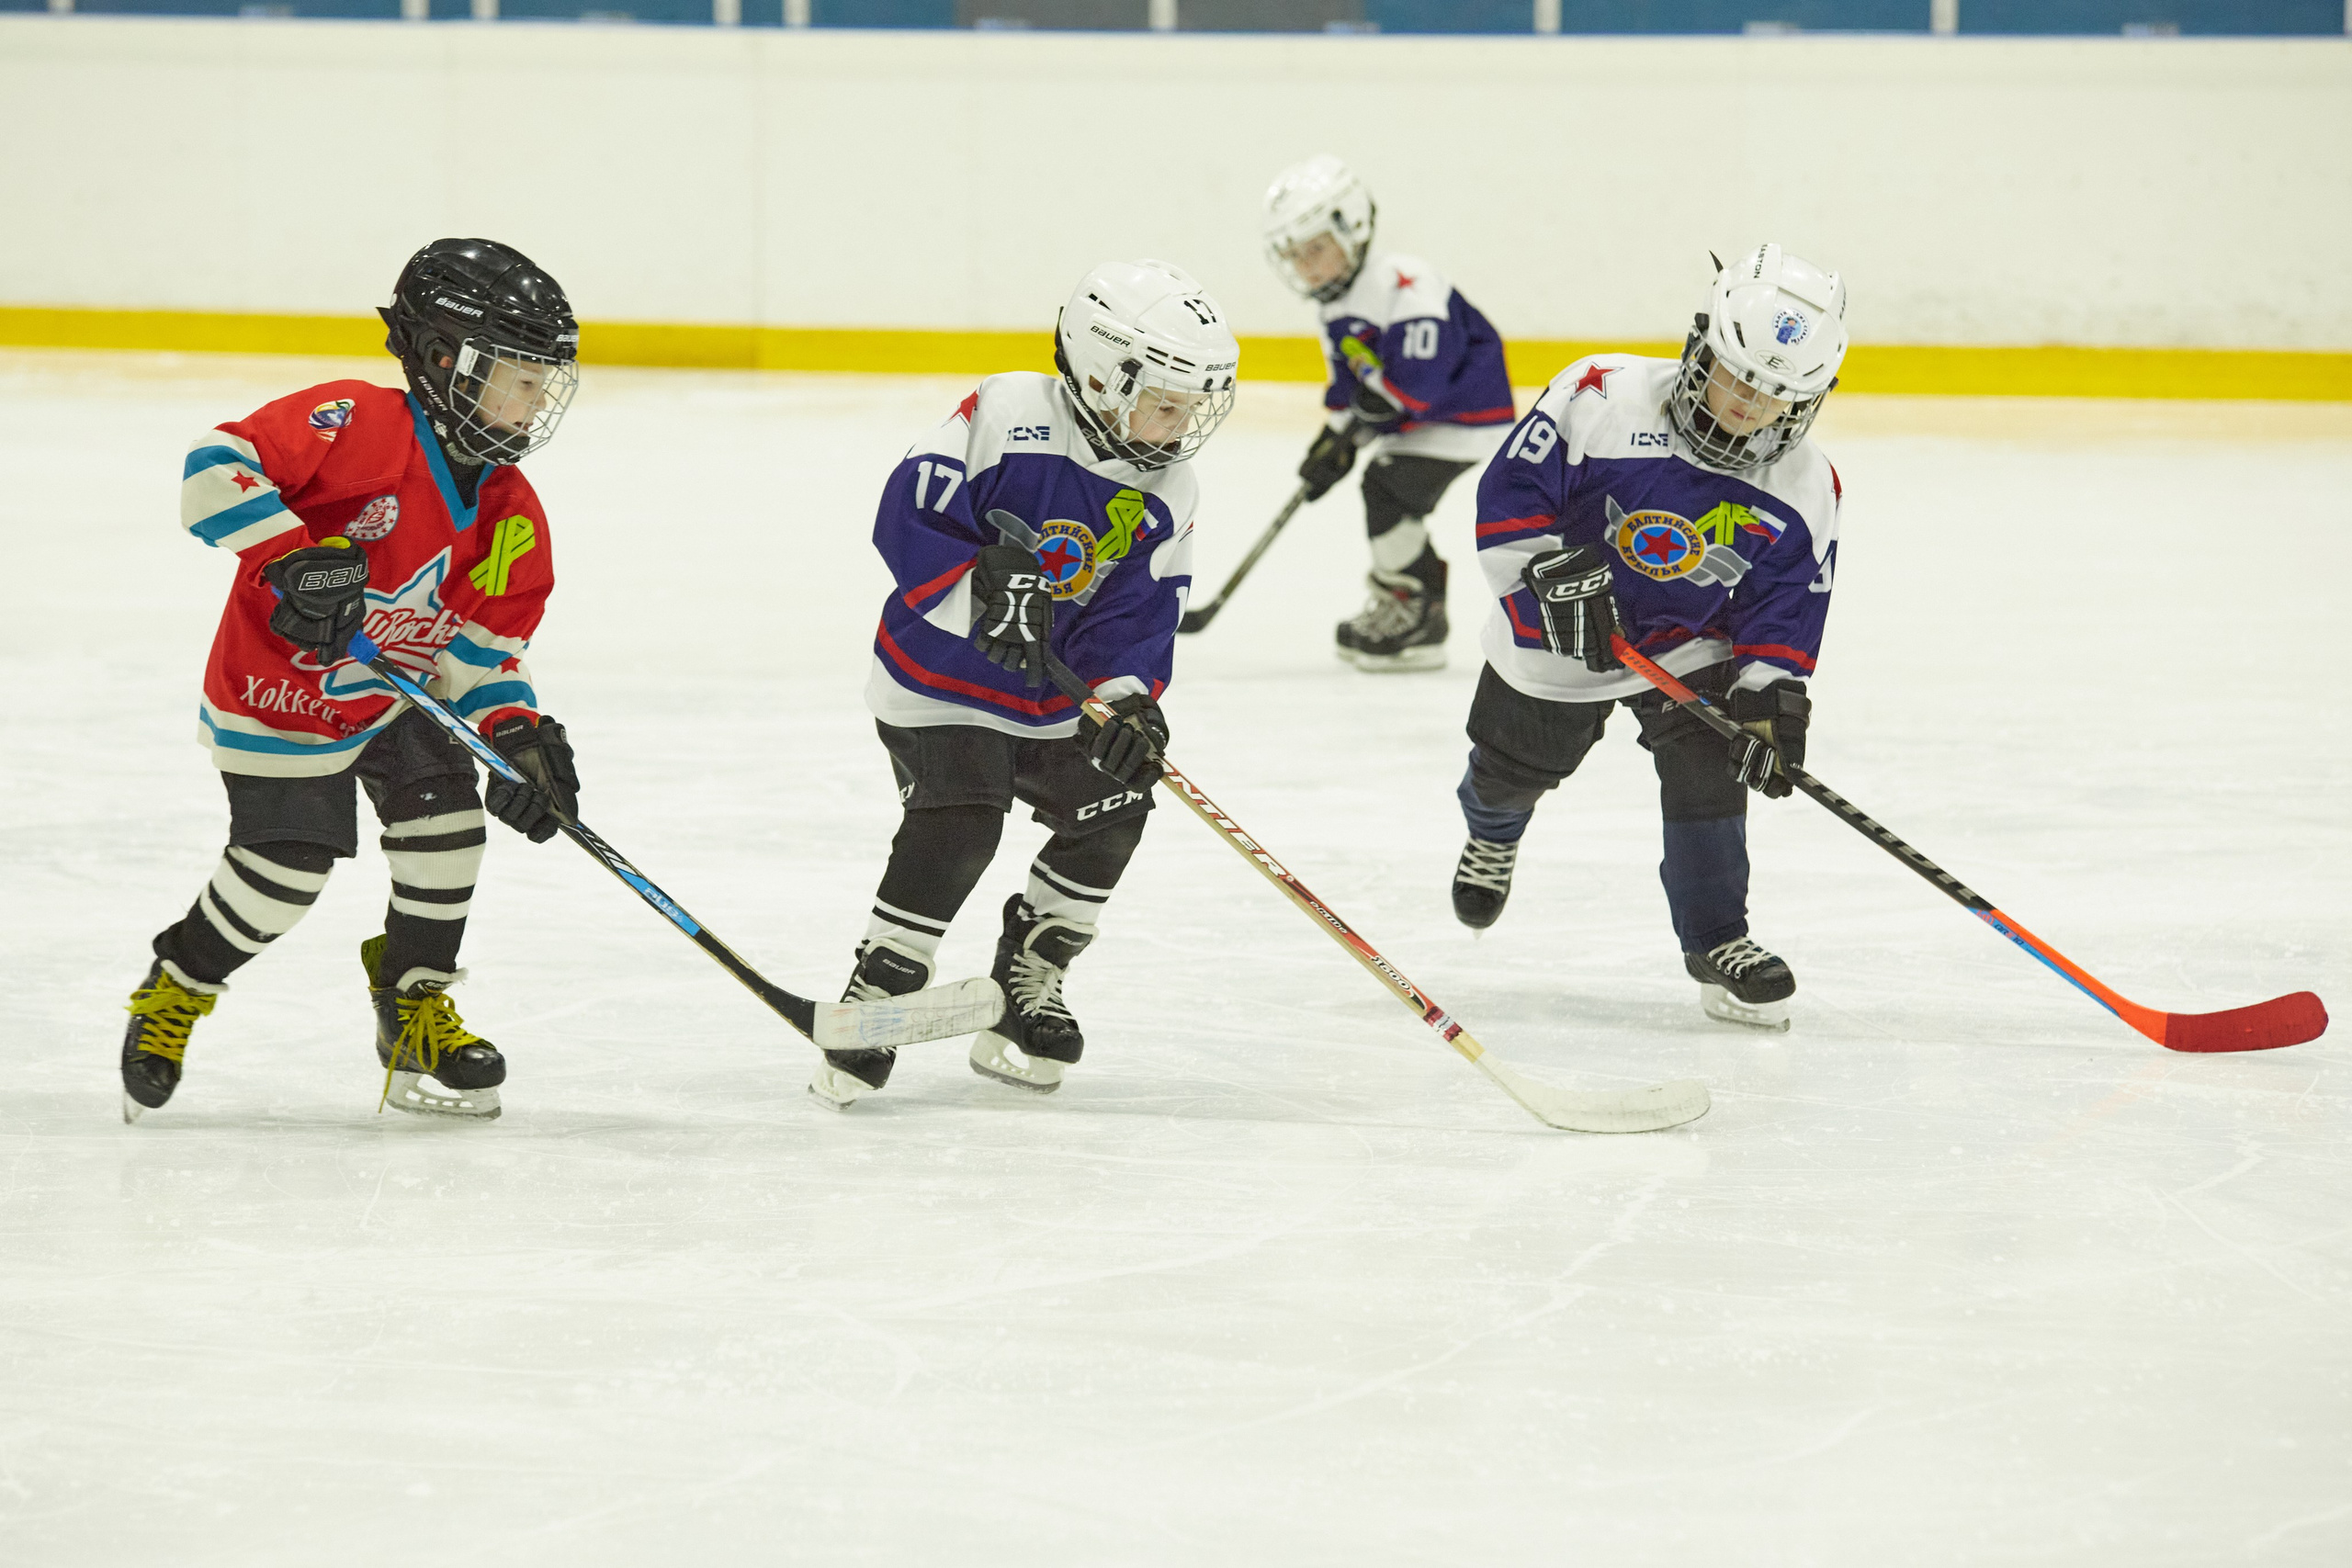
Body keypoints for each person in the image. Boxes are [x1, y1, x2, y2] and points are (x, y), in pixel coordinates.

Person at [120, 238, 585, 1123]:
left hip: (393, 698)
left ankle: (412, 1010)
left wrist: (516, 734)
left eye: (544, 380)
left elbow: (479, 657)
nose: (538, 401)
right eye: (522, 378)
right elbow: (213, 470)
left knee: (448, 832)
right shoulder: (355, 423)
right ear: (445, 359)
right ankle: (179, 980)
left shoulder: (511, 514)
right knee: (283, 873)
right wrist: (288, 555)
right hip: (281, 693)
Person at [811, 259, 1238, 1108]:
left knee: (1117, 802)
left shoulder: (1169, 487)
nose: (1182, 425)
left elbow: (1140, 613)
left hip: (1052, 699)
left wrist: (1128, 702)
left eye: (1194, 406)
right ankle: (884, 980)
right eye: (1166, 402)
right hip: (940, 681)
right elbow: (908, 513)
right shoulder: (1007, 413)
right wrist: (979, 590)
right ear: (1104, 374)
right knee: (964, 819)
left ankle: (1031, 971)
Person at [1449, 243, 1846, 1031]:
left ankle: (1718, 940)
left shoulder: (1806, 484)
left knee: (1710, 774)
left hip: (1686, 648)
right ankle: (1493, 832)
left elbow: (1781, 606)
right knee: (1509, 770)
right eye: (1738, 376)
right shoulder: (1599, 394)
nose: (1749, 404)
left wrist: (1768, 699)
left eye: (1777, 395)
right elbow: (1511, 500)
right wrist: (1548, 587)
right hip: (1557, 636)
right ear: (1701, 348)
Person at [1260, 154, 1515, 671]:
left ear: (1351, 228)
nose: (1307, 266)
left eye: (1316, 249)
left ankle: (1415, 612)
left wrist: (1373, 414)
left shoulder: (1404, 281)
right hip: (1425, 420)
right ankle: (1407, 602)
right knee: (1385, 485)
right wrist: (1331, 445)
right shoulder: (1335, 305)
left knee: (1388, 485)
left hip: (1466, 417)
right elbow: (1351, 389)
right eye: (1296, 255)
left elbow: (1419, 383)